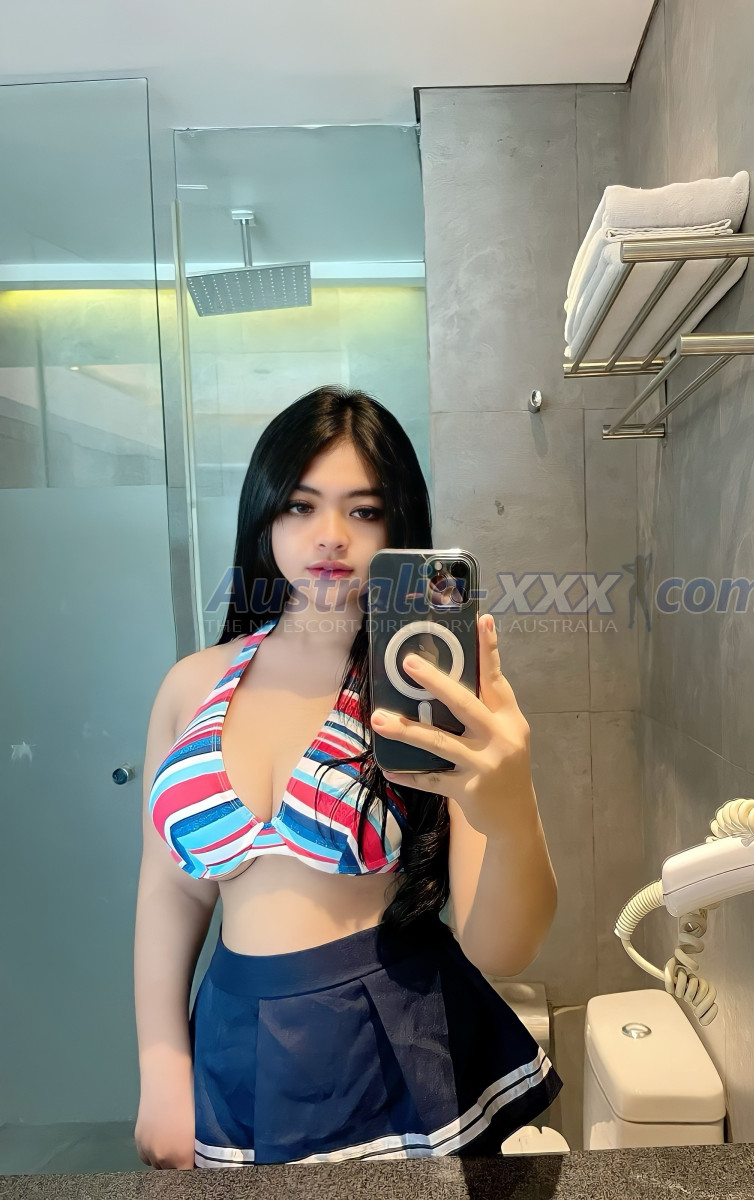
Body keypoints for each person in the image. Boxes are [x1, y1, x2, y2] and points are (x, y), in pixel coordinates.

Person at [133, 385, 562, 1169]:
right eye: (300, 505)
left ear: (399, 527)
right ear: (264, 516)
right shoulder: (190, 686)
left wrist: (507, 807)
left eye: (363, 510)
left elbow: (502, 949)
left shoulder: (428, 690)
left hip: (395, 1044)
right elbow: (173, 891)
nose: (330, 535)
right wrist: (161, 1064)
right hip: (233, 1044)